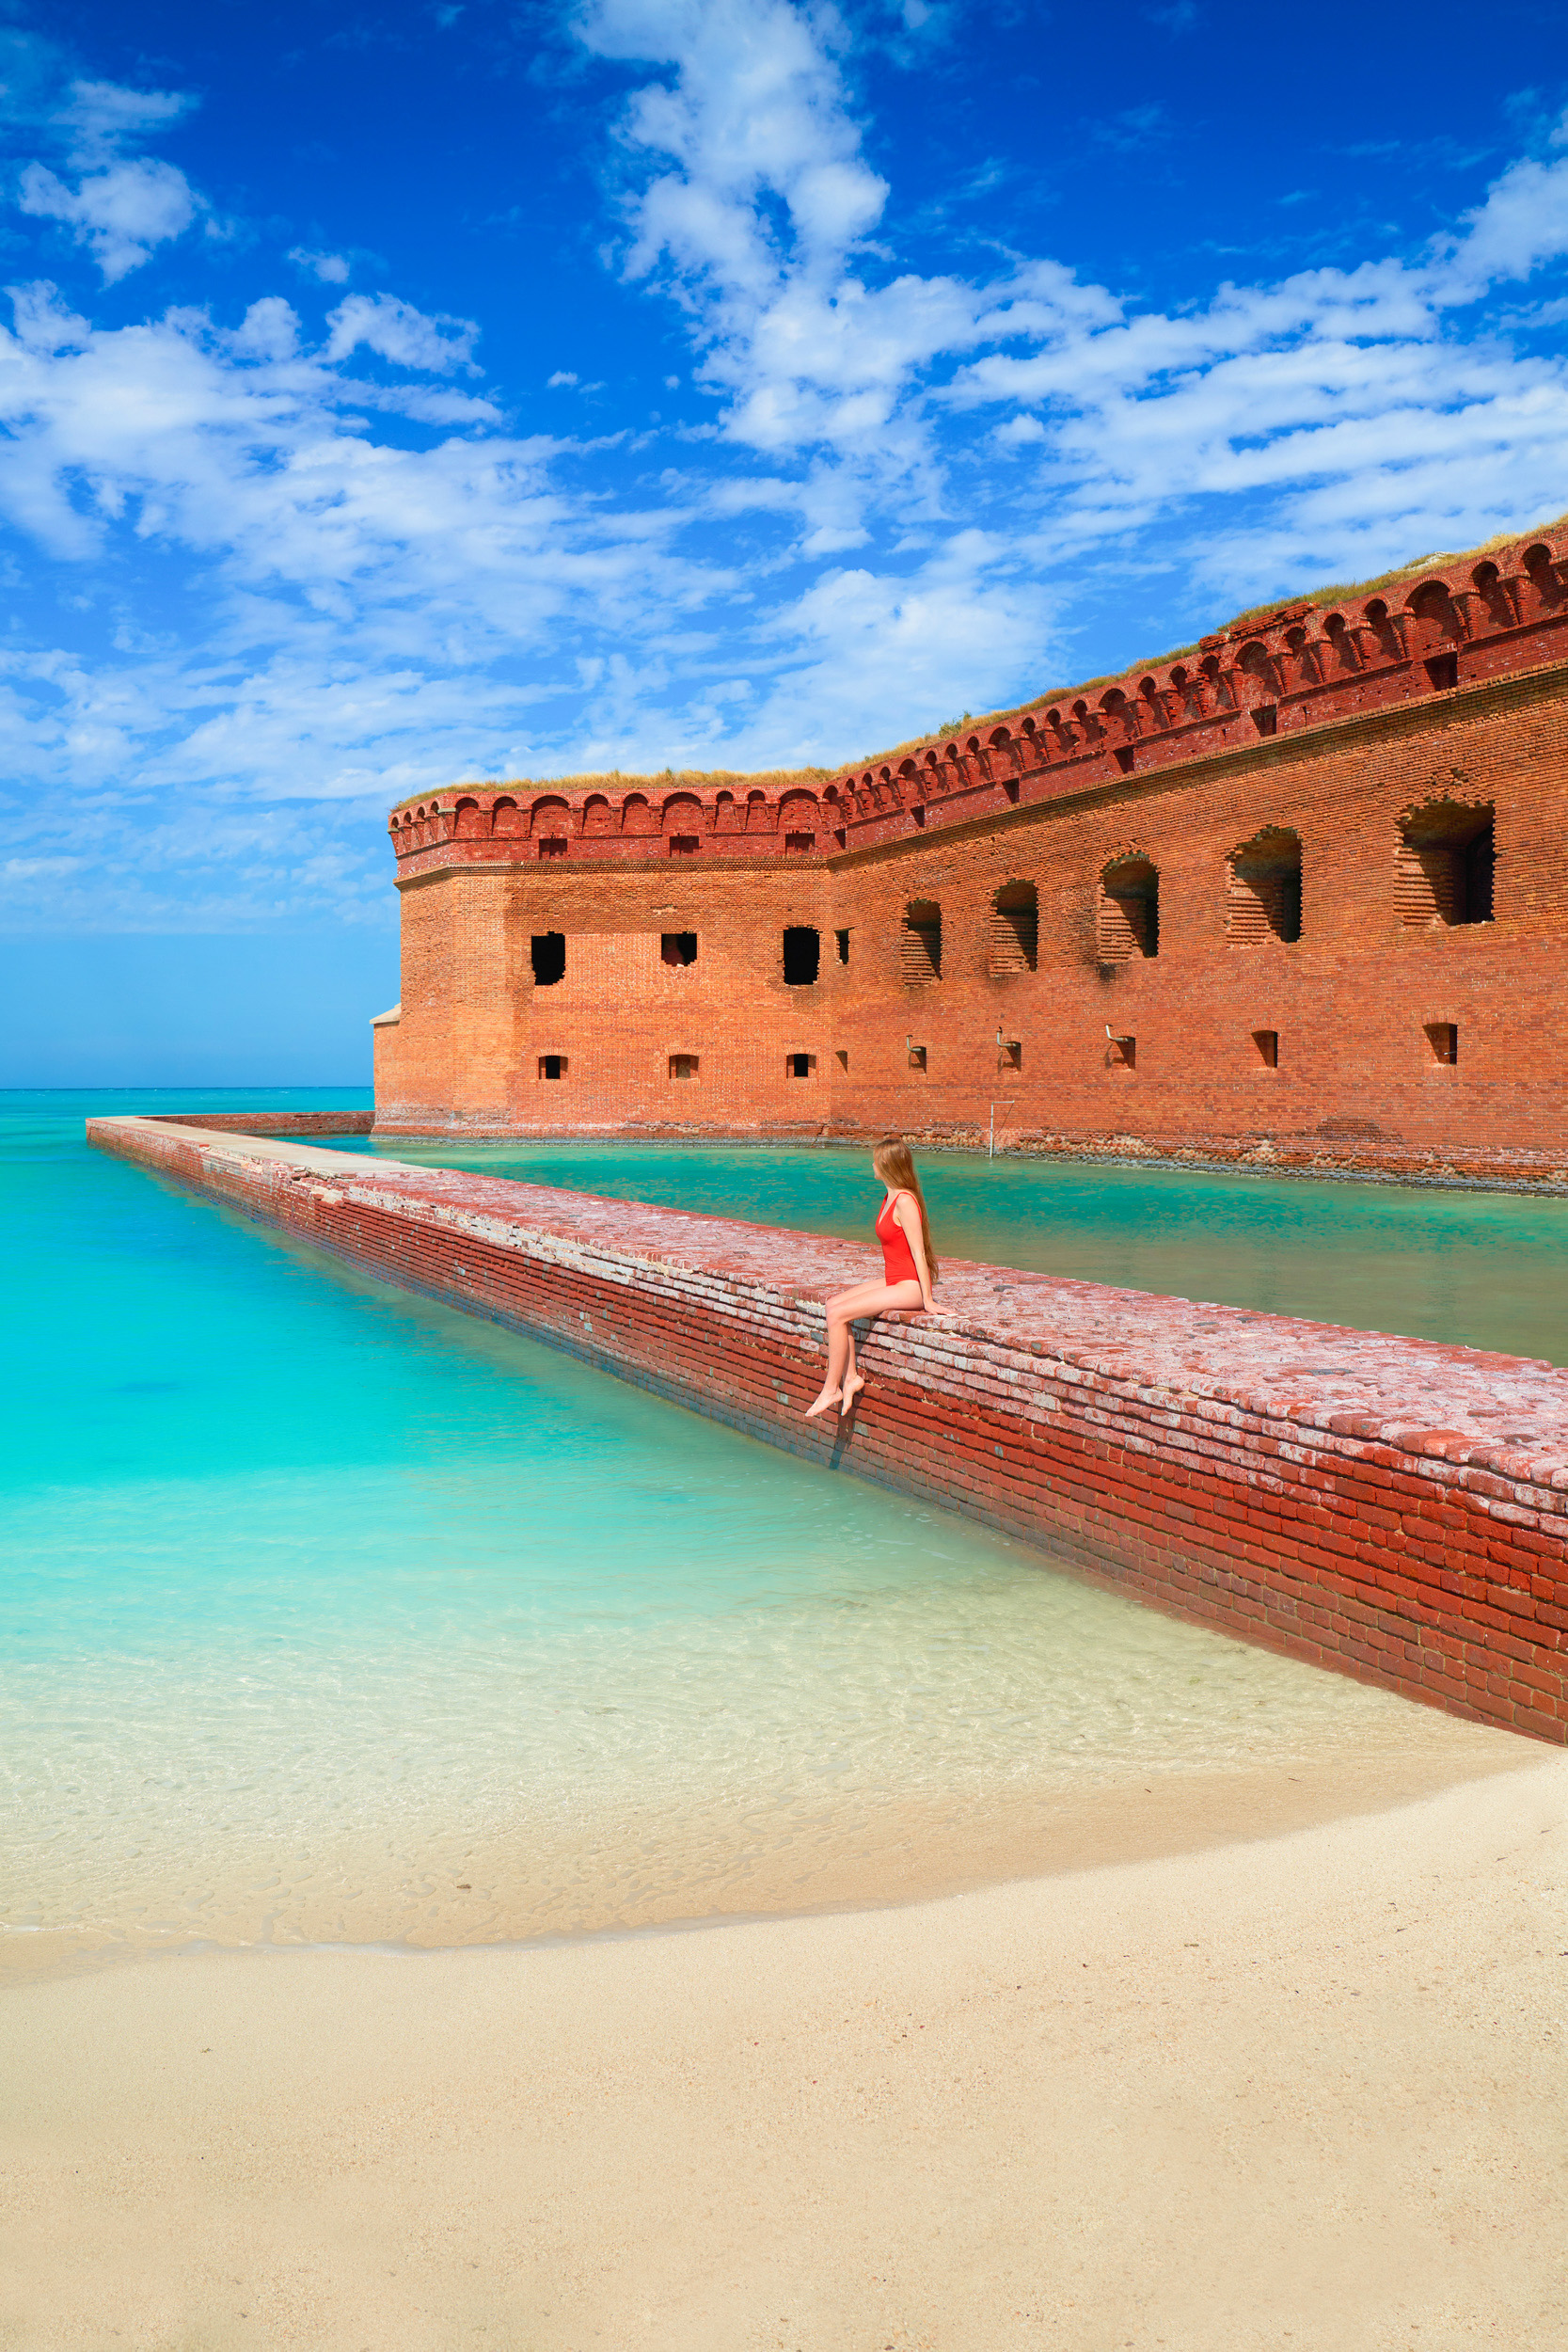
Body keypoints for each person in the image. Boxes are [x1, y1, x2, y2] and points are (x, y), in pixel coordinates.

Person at [804, 1134, 938, 1420]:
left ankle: (831, 1389)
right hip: (894, 1279)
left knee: (838, 1315)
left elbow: (919, 1253)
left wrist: (927, 1300)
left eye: (876, 1160)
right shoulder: (888, 1196)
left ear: (887, 1165)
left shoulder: (905, 1201)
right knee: (833, 1306)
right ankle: (850, 1377)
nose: (872, 1164)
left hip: (909, 1286)